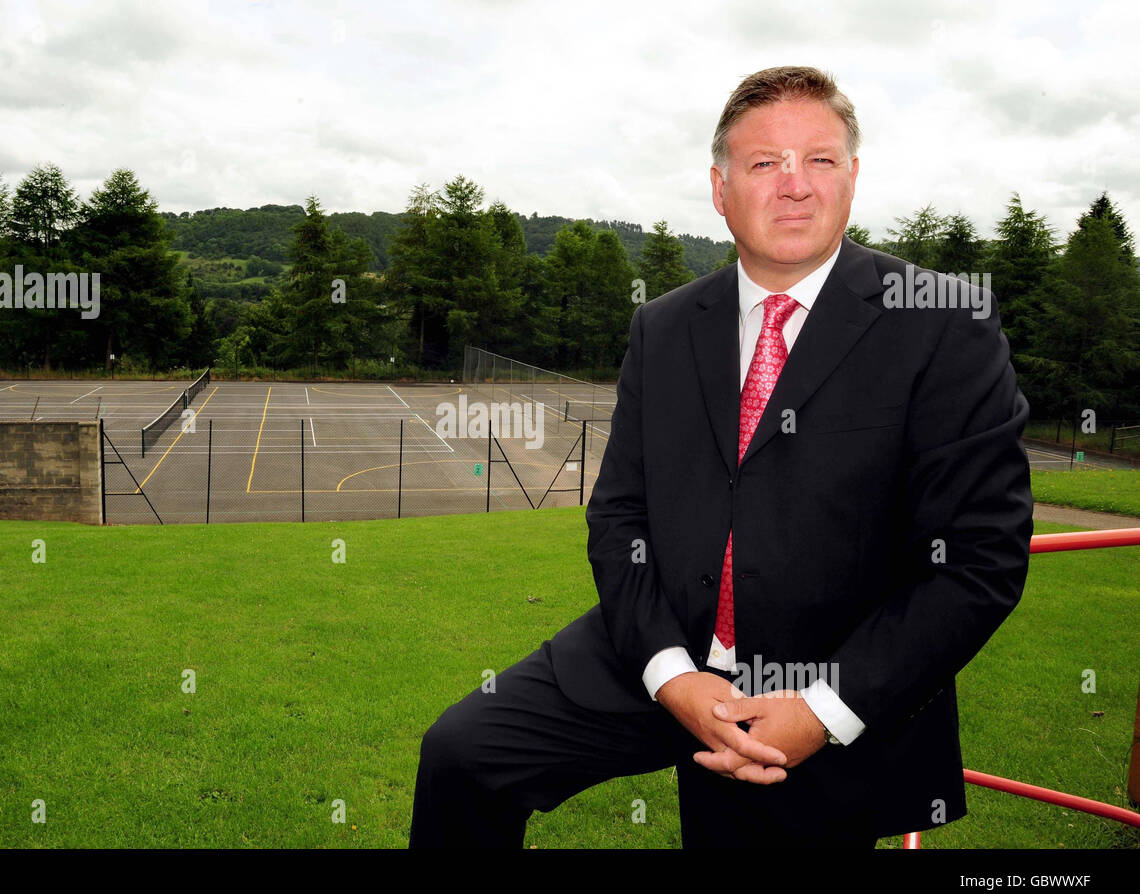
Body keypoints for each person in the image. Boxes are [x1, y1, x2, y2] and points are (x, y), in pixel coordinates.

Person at [408, 65, 1034, 849]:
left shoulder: (943, 323)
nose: (794, 185)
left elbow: (979, 561)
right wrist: (672, 672)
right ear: (720, 187)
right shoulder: (663, 328)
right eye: (765, 162)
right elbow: (619, 516)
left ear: (853, 177)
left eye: (820, 159)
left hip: (820, 689)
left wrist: (821, 711)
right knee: (464, 755)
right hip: (659, 647)